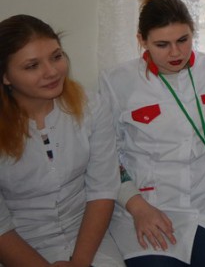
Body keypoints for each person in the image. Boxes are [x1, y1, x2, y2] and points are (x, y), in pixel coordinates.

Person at [99, 0, 205, 267]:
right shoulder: (117, 81)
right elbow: (105, 157)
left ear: (193, 32)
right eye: (162, 44)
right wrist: (137, 206)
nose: (175, 53)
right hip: (148, 203)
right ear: (142, 40)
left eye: (183, 40)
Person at [0, 14, 123, 266]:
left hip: (88, 238)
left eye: (56, 56)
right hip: (20, 246)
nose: (52, 71)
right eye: (32, 66)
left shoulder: (91, 106)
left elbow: (102, 190)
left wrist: (80, 261)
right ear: (6, 76)